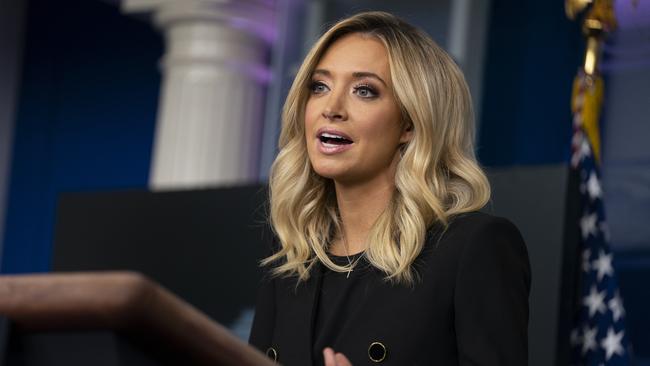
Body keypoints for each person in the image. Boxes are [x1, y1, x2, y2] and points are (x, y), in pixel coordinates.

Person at [249, 11, 531, 366]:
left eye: (364, 91)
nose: (331, 108)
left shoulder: (473, 247)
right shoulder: (293, 258)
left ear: (410, 123)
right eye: (319, 86)